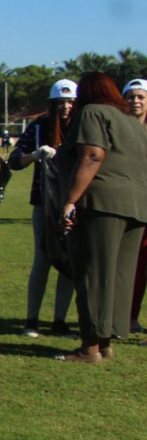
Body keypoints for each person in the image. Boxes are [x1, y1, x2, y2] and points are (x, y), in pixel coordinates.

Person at [56, 73, 147, 362]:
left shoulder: (93, 113)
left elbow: (92, 156)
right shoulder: (132, 122)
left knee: (92, 273)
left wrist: (70, 200)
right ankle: (106, 341)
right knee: (119, 275)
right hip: (136, 207)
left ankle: (90, 347)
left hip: (102, 203)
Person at [7, 79, 77, 338]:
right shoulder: (40, 126)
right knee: (43, 259)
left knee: (69, 262)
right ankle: (32, 320)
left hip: (74, 203)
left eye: (70, 102)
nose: (65, 107)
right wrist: (35, 155)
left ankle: (59, 321)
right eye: (60, 102)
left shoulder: (82, 126)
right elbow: (15, 160)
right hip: (44, 202)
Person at [123, 79, 147, 335]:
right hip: (127, 205)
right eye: (131, 96)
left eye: (141, 96)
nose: (136, 100)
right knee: (131, 266)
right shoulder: (118, 129)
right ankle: (127, 317)